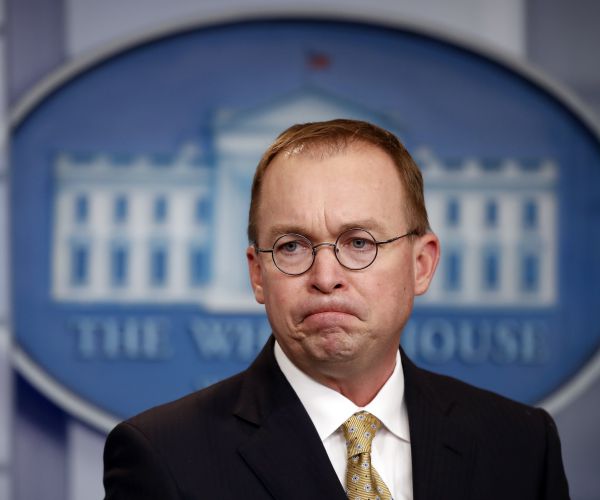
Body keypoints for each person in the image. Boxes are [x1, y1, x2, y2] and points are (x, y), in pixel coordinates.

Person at [103, 119, 570, 499]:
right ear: (258, 274)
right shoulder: (164, 456)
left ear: (421, 265)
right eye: (291, 246)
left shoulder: (521, 445)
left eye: (359, 242)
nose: (325, 277)